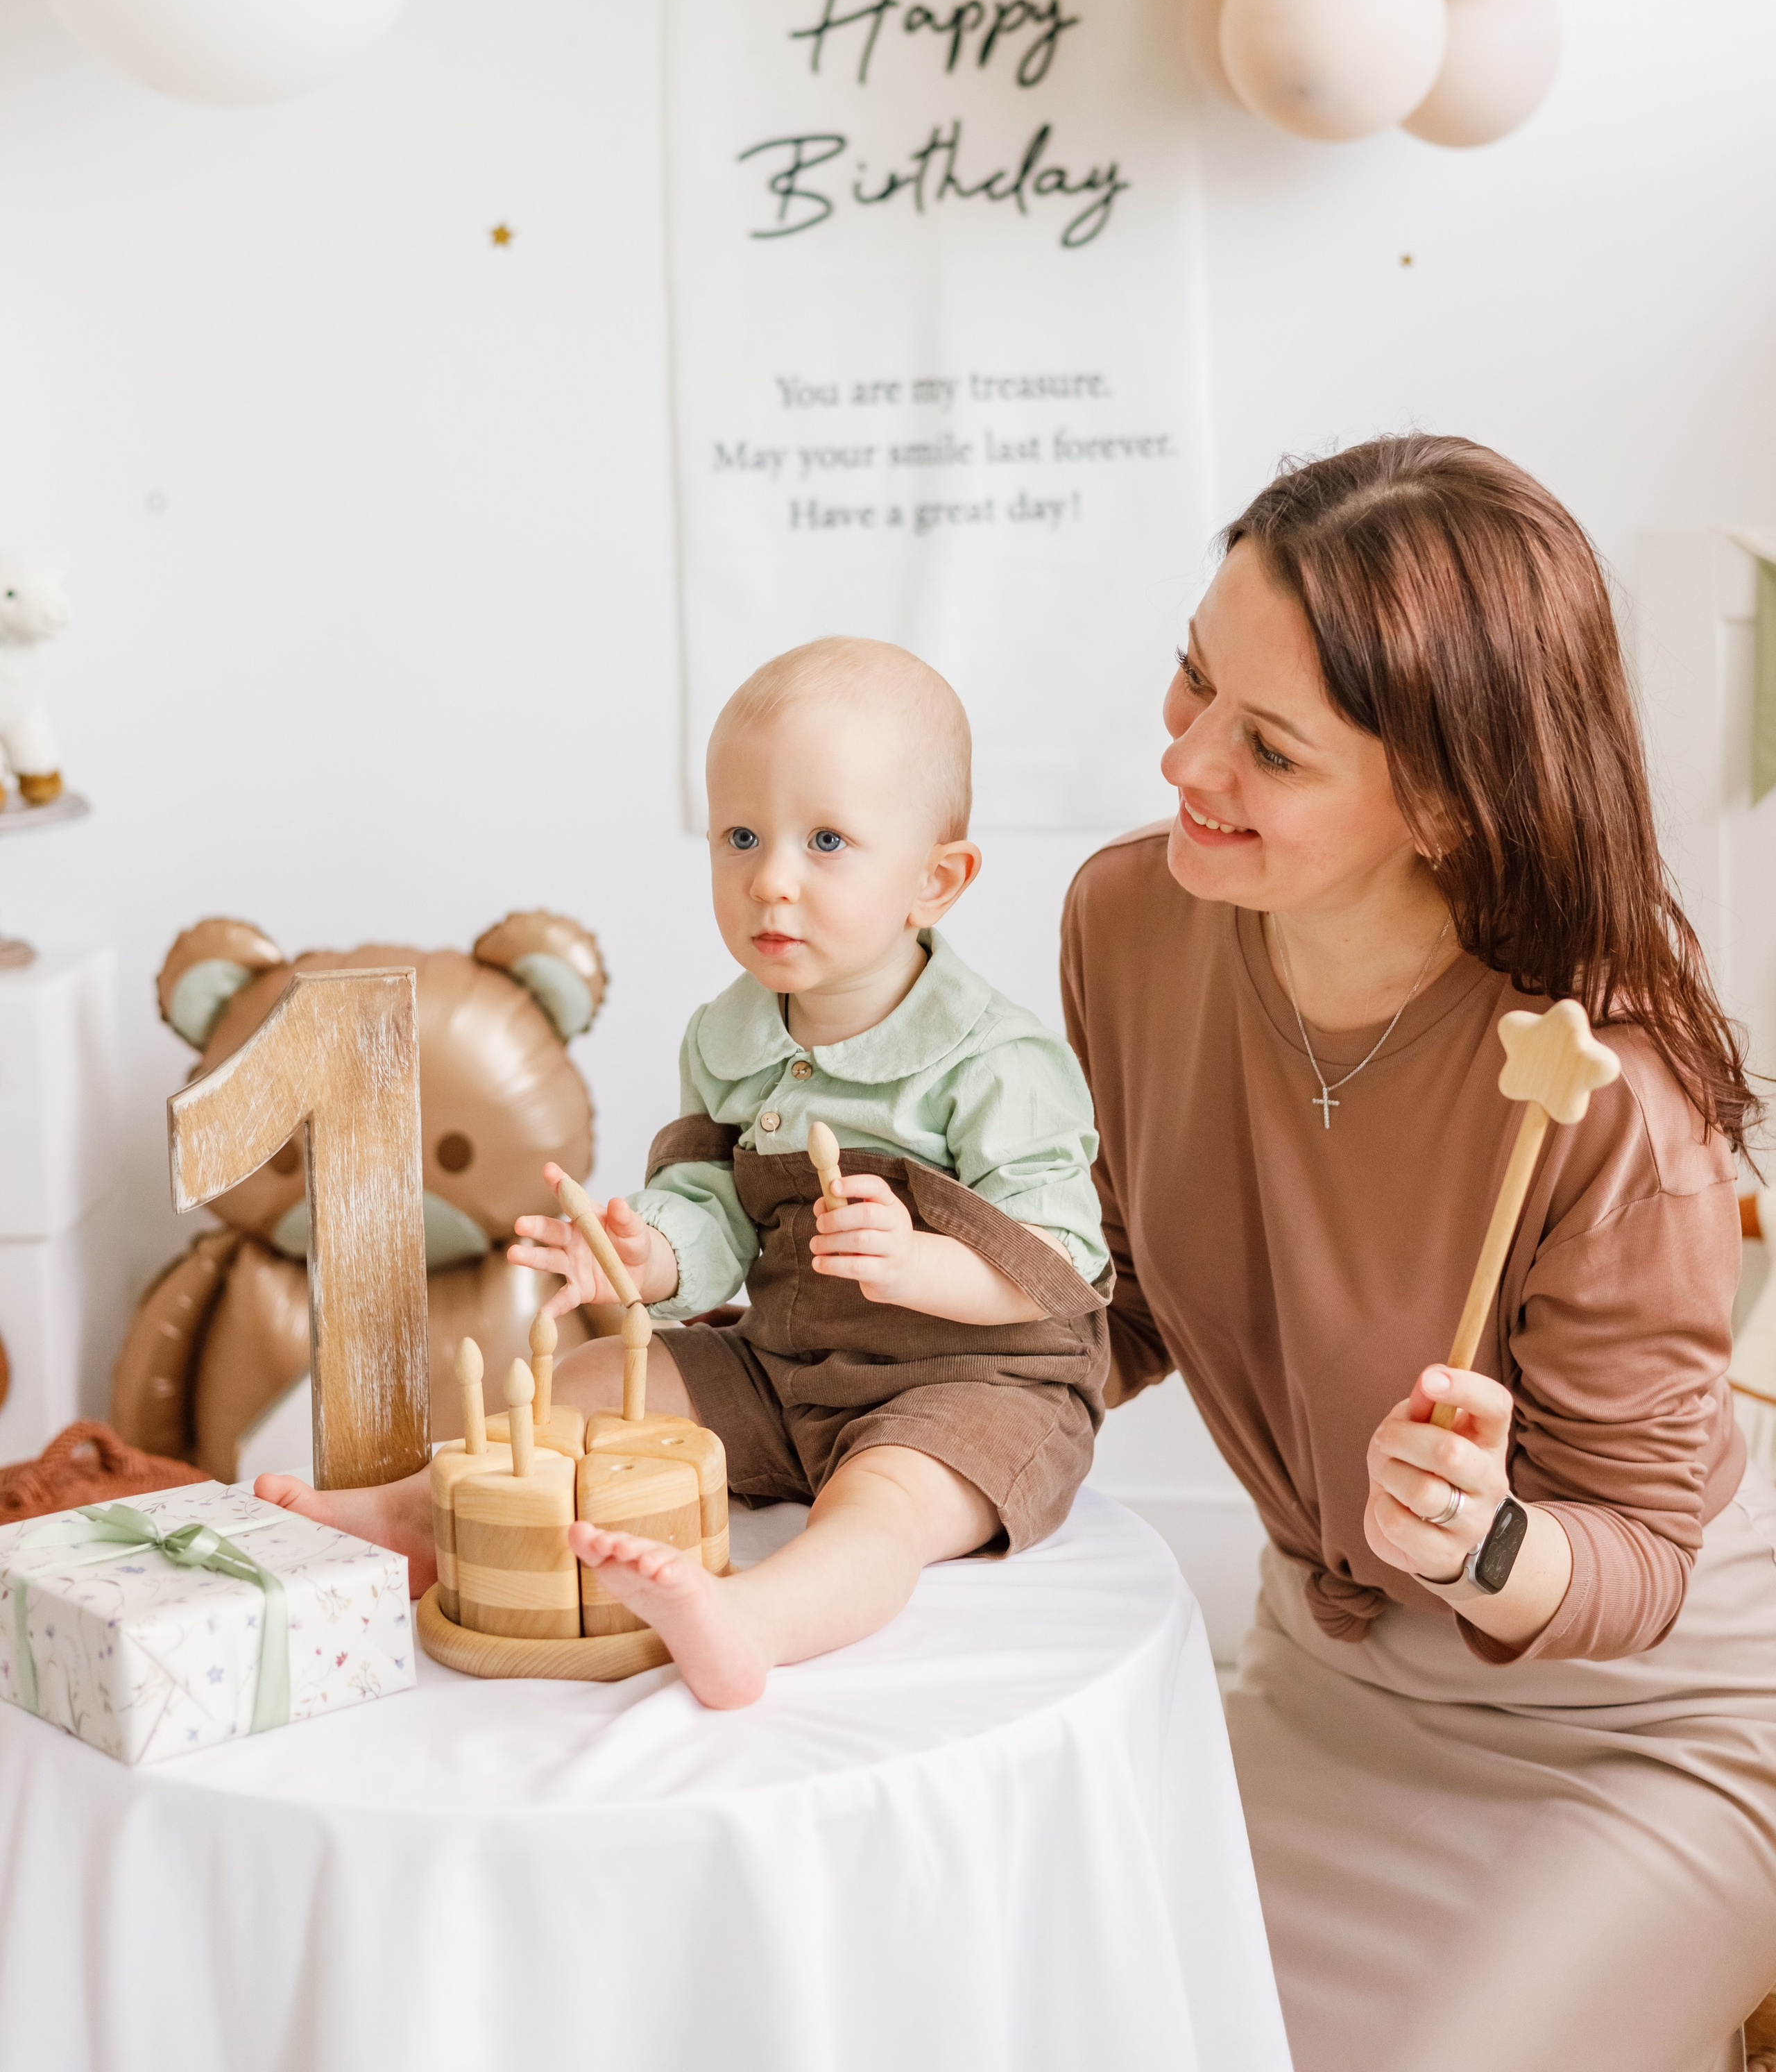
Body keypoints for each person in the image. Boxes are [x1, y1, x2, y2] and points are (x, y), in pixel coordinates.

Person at [1061, 435, 1776, 2072]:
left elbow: (1640, 1566)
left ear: (1447, 802)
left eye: (1269, 750)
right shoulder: (1132, 924)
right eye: (1190, 681)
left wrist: (1481, 1547)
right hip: (1326, 1684)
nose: (1182, 764)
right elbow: (1115, 1290)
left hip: (1631, 1735)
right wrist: (882, 1353)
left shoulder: (1609, 1092)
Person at [261, 636, 1109, 1707]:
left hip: (974, 1385)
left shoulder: (998, 1062)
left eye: (828, 841)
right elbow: (716, 1204)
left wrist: (923, 1263)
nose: (772, 881)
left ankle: (750, 1622)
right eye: (741, 837)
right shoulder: (730, 1037)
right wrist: (650, 1254)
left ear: (936, 881)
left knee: (880, 1503)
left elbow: (1067, 1261)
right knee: (584, 1384)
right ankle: (420, 1516)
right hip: (784, 1364)